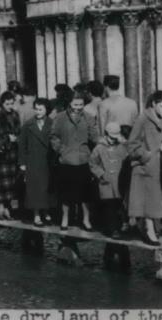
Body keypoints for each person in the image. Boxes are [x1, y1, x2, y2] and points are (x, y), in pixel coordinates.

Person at [49, 90, 98, 231]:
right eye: (75, 104)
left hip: (83, 159)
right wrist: (61, 150)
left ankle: (86, 219)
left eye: (81, 104)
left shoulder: (88, 118)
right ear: (70, 103)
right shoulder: (60, 118)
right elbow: (53, 136)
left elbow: (94, 136)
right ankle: (65, 218)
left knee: (85, 194)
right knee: (66, 192)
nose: (78, 107)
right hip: (66, 160)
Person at [126, 91, 162, 246]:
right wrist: (146, 155)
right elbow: (131, 144)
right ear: (154, 104)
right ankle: (150, 231)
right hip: (145, 167)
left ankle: (149, 228)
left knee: (154, 199)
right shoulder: (143, 119)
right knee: (149, 200)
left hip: (158, 166)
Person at [18, 97, 55, 225]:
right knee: (34, 189)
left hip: (48, 161)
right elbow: (22, 145)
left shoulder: (52, 123)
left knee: (47, 188)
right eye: (36, 109)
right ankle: (36, 214)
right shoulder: (28, 125)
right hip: (33, 161)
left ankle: (46, 211)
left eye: (40, 109)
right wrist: (22, 163)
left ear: (47, 110)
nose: (38, 111)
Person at [0, 91, 22, 219]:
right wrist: (7, 139)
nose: (10, 106)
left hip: (12, 156)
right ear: (2, 104)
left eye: (12, 103)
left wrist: (17, 139)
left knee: (10, 184)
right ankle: (0, 207)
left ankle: (7, 207)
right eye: (7, 104)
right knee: (1, 184)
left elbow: (19, 133)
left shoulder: (15, 116)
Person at [90, 121, 129, 237]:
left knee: (119, 205)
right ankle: (112, 229)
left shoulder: (122, 146)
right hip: (106, 182)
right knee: (109, 206)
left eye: (115, 138)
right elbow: (92, 163)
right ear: (106, 134)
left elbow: (126, 160)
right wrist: (101, 174)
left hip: (119, 181)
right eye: (111, 138)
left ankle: (120, 226)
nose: (113, 140)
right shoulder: (99, 148)